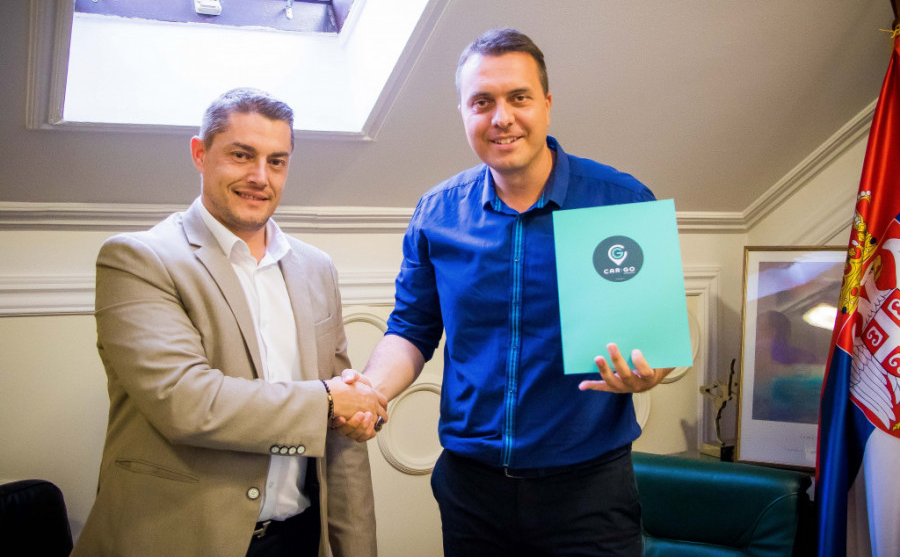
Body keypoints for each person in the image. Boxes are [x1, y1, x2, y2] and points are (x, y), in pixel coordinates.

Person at [355, 29, 674, 556]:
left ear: (546, 103)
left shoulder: (620, 203)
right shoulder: (437, 213)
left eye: (518, 97)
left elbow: (654, 341)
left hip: (589, 492)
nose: (501, 117)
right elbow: (410, 329)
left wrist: (649, 372)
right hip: (471, 491)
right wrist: (370, 390)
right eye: (482, 102)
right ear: (464, 112)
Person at [73, 88, 386, 557]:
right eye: (242, 155)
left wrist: (356, 546)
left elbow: (341, 431)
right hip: (180, 540)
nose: (260, 177)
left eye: (276, 161)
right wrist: (327, 401)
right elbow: (187, 402)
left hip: (299, 538)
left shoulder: (316, 268)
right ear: (200, 154)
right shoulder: (139, 259)